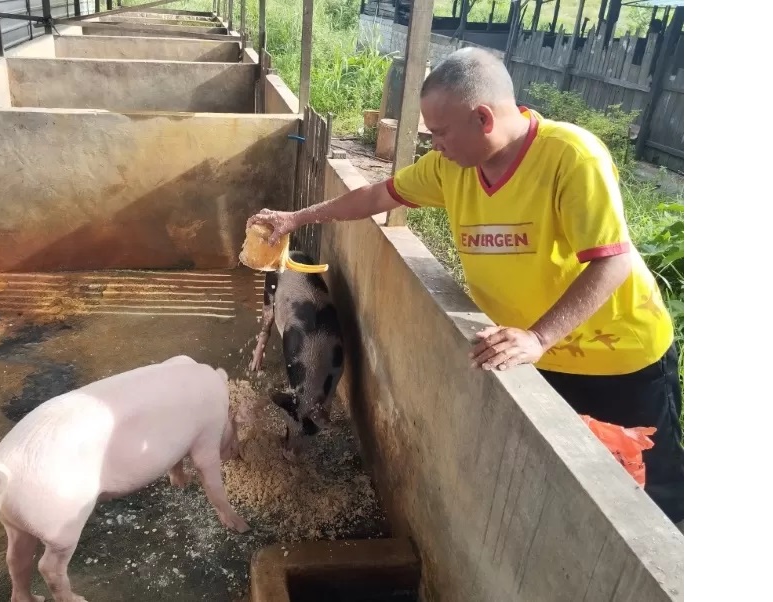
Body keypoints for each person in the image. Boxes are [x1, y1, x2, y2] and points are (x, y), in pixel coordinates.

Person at [246, 47, 684, 530]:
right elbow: (375, 195)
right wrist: (296, 217)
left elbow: (612, 264)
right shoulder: (451, 168)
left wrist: (538, 336)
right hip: (532, 357)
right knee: (572, 492)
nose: (434, 144)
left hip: (617, 361)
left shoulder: (571, 157)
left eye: (440, 132)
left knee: (648, 493)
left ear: (483, 118)